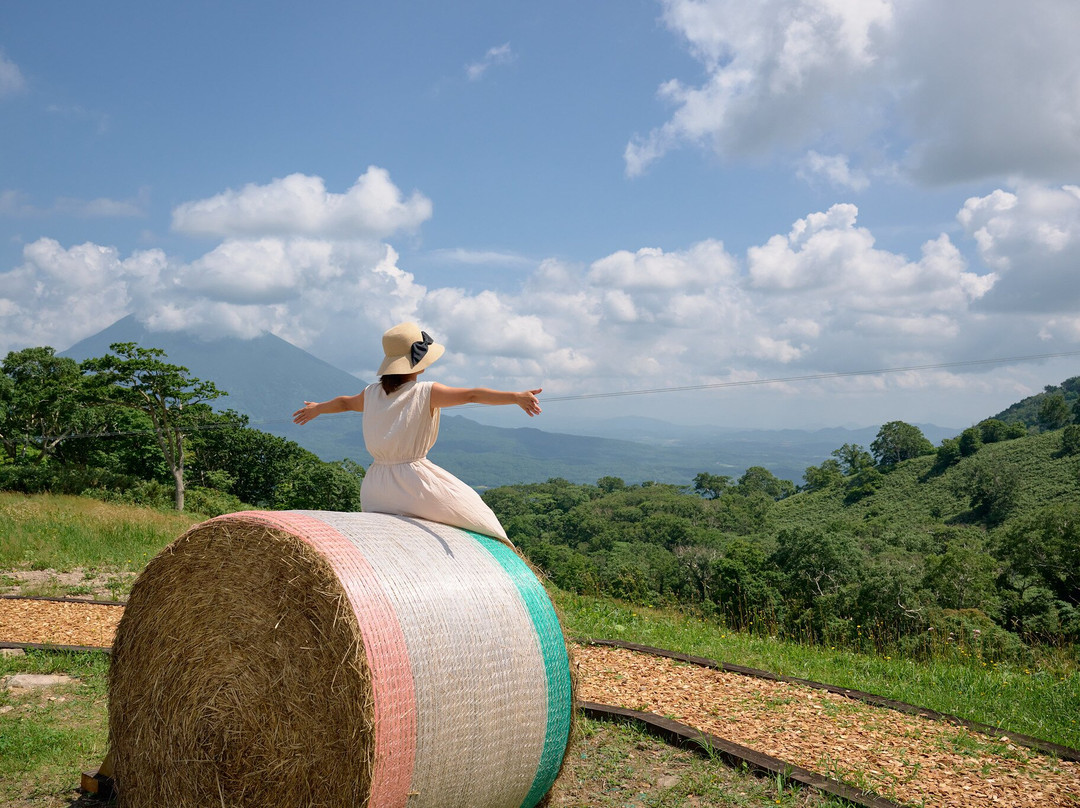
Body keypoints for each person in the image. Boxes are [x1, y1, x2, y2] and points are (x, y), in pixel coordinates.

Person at [291, 322, 541, 547]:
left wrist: (317, 408)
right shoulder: (426, 392)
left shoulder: (371, 393)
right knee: (480, 516)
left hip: (374, 486)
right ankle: (506, 556)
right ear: (419, 362)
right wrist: (515, 397)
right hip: (413, 482)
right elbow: (471, 395)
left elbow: (345, 402)